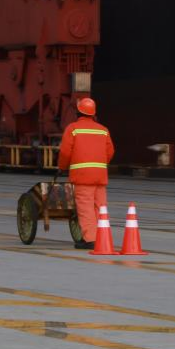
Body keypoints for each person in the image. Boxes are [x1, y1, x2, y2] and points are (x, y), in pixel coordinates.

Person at [57, 97, 115, 250]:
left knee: (85, 207)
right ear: (93, 114)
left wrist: (62, 167)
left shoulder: (73, 129)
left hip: (82, 177)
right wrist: (99, 164)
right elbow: (110, 151)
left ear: (78, 113)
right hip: (100, 176)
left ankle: (90, 239)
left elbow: (65, 152)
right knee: (100, 206)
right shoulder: (103, 130)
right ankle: (103, 237)